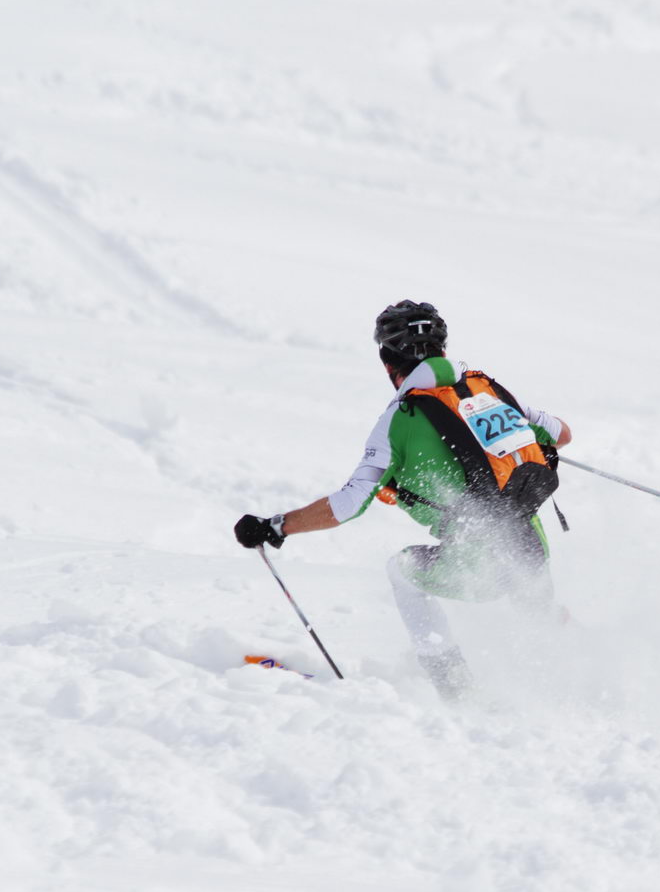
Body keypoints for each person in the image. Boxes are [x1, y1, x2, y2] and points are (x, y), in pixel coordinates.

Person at [234, 300, 574, 700]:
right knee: (538, 615)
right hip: (532, 542)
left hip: (480, 557)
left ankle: (454, 686)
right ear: (442, 350)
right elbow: (562, 434)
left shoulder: (396, 421)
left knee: (403, 573)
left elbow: (347, 505)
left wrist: (275, 527)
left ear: (387, 363)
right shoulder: (486, 388)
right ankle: (592, 663)